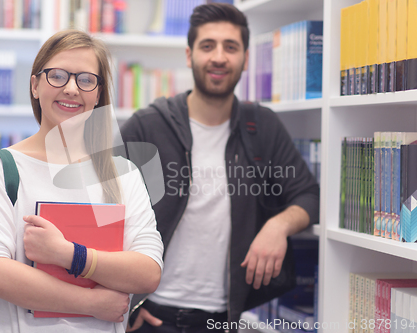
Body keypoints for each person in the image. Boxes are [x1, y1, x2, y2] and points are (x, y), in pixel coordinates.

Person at [119, 3, 319, 333]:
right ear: (189, 55)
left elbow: (309, 194)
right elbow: (101, 208)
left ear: (245, 58)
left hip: (222, 320)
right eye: (207, 45)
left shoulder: (262, 126)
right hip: (151, 316)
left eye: (231, 47)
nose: (219, 57)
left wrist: (278, 226)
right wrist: (123, 301)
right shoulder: (149, 125)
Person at [0, 29, 163, 333]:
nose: (71, 88)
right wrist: (90, 303)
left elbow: (147, 272)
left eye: (85, 79)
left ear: (97, 95)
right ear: (35, 85)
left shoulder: (123, 175)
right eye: (57, 75)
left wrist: (69, 254)